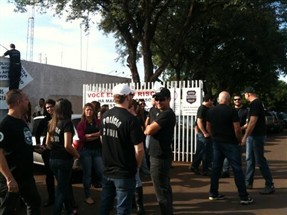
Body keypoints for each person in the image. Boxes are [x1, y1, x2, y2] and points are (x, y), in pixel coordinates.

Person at [99, 84, 144, 215]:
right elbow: (139, 149)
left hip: (107, 169)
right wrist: (137, 165)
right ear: (127, 97)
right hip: (124, 171)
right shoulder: (131, 119)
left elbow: (102, 139)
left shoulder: (105, 115)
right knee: (123, 208)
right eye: (131, 95)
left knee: (105, 205)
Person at [206, 91, 254, 205]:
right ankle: (243, 196)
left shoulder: (211, 111)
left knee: (216, 169)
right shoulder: (232, 111)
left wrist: (214, 137)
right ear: (228, 99)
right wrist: (239, 140)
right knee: (237, 169)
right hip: (231, 143)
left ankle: (213, 193)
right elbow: (237, 129)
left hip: (217, 143)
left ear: (219, 99)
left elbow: (208, 126)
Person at [0, 89, 41, 214]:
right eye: (26, 99)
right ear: (18, 102)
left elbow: (18, 144)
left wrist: (33, 147)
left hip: (26, 178)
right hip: (13, 178)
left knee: (35, 203)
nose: (28, 102)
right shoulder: (5, 124)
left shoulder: (21, 122)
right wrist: (9, 179)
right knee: (7, 211)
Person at [144, 87, 176, 215]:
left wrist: (148, 128)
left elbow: (148, 130)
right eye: (157, 99)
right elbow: (147, 122)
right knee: (165, 188)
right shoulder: (156, 111)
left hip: (160, 156)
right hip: (157, 154)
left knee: (161, 191)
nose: (159, 101)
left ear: (169, 99)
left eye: (162, 99)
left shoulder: (167, 114)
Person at [46, 98, 80, 215]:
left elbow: (47, 143)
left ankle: (70, 210)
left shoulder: (51, 122)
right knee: (61, 188)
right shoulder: (67, 123)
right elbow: (67, 145)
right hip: (64, 160)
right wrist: (77, 154)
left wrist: (55, 149)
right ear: (67, 109)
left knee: (63, 186)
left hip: (53, 159)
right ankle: (56, 212)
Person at [241, 87, 275, 194]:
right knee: (250, 159)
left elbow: (252, 122)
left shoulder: (256, 103)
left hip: (256, 136)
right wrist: (240, 128)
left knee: (260, 160)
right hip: (253, 136)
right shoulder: (253, 104)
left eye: (244, 94)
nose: (244, 96)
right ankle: (248, 182)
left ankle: (269, 185)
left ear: (248, 94)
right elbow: (249, 122)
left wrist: (245, 136)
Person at [76, 103, 103, 205]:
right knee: (87, 175)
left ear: (93, 111)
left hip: (97, 150)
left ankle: (107, 195)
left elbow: (102, 132)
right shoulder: (81, 124)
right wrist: (97, 134)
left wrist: (91, 135)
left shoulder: (98, 122)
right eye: (87, 110)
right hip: (85, 151)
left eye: (91, 110)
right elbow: (82, 137)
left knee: (101, 172)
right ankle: (87, 196)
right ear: (84, 111)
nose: (89, 112)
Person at [35, 99, 56, 207]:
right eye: (47, 107)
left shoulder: (60, 119)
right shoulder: (44, 120)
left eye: (51, 106)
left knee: (61, 176)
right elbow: (37, 133)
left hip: (58, 150)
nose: (49, 109)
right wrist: (39, 145)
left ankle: (66, 201)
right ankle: (51, 198)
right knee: (49, 175)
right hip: (47, 151)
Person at [221, 94, 248, 178]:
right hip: (230, 134)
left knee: (238, 152)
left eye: (239, 99)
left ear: (241, 100)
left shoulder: (246, 110)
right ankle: (225, 170)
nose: (237, 101)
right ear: (233, 101)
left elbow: (248, 123)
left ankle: (237, 171)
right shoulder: (230, 110)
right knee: (227, 152)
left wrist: (239, 128)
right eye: (235, 99)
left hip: (241, 133)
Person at [189, 94, 213, 176]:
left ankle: (197, 167)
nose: (213, 103)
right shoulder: (202, 108)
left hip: (204, 134)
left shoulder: (207, 109)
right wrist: (204, 133)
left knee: (203, 151)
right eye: (212, 101)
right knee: (203, 151)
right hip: (203, 134)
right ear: (209, 100)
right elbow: (199, 121)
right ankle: (202, 168)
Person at [128, 99, 146, 215]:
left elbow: (139, 141)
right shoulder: (126, 118)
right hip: (126, 152)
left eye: (129, 107)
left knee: (136, 179)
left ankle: (139, 205)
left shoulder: (136, 119)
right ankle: (133, 202)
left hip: (134, 151)